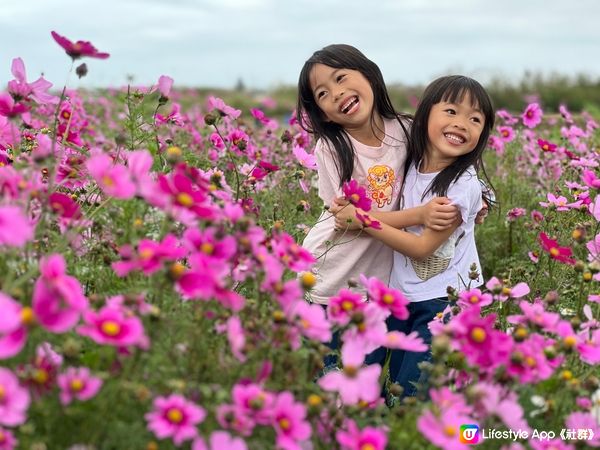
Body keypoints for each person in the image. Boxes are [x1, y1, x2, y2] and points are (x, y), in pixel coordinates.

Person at [296, 44, 459, 375]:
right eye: (323, 93)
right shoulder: (331, 146)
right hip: (332, 280)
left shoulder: (407, 129)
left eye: (341, 78)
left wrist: (477, 197)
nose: (337, 93)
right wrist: (420, 215)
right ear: (323, 113)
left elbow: (446, 164)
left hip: (380, 282)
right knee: (332, 378)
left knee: (365, 374)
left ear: (369, 75)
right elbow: (348, 220)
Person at [332, 75, 495, 399]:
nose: (462, 124)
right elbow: (409, 214)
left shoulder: (461, 185)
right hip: (402, 294)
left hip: (445, 300)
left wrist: (362, 220)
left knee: (409, 391)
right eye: (451, 111)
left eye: (475, 119)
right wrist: (359, 214)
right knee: (384, 378)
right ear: (425, 117)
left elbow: (421, 248)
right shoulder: (412, 161)